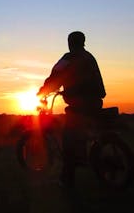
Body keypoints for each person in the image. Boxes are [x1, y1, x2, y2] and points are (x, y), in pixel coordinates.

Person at [37, 31, 106, 188]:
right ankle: (83, 157)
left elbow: (55, 76)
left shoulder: (69, 57)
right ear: (83, 42)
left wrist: (43, 91)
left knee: (68, 138)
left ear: (69, 43)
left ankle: (67, 179)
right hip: (95, 102)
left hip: (80, 104)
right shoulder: (89, 56)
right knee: (79, 134)